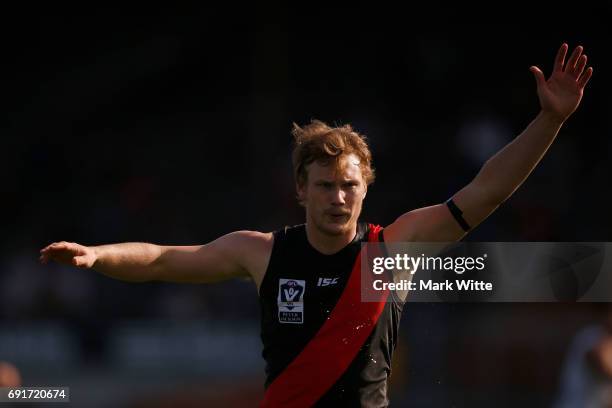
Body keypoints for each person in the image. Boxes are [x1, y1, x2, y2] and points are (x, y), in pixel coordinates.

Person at [40, 44, 593, 407]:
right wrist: (98, 254)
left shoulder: (392, 249)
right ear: (300, 189)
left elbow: (488, 191)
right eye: (325, 185)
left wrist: (550, 120)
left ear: (366, 187)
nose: (338, 197)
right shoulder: (259, 253)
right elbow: (163, 259)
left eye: (349, 185)